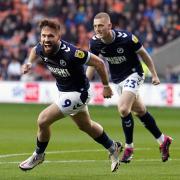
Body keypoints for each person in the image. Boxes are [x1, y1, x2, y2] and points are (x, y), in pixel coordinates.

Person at [19, 18, 123, 172]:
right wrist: (29, 63)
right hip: (64, 92)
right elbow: (34, 51)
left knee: (43, 120)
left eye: (50, 36)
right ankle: (112, 147)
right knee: (86, 126)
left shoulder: (72, 53)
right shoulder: (41, 47)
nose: (46, 39)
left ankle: (38, 155)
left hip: (78, 94)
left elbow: (99, 63)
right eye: (43, 36)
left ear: (58, 36)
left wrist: (106, 86)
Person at [86, 12, 172, 163]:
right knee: (140, 111)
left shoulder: (126, 38)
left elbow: (144, 55)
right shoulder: (94, 43)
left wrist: (154, 74)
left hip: (134, 74)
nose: (97, 29)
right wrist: (84, 83)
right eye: (95, 26)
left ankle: (129, 148)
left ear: (109, 26)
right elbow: (93, 63)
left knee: (124, 109)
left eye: (100, 26)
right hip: (118, 80)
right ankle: (163, 140)